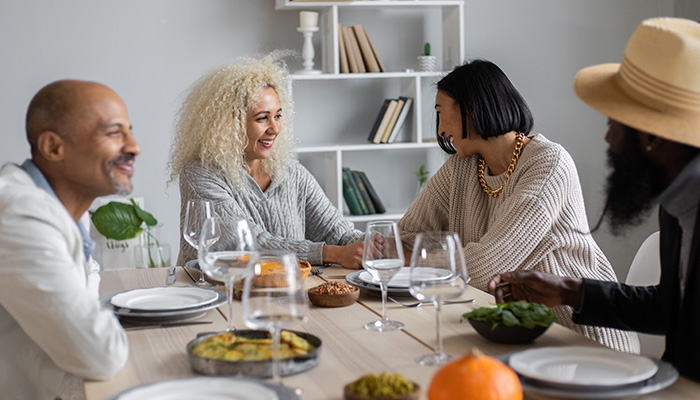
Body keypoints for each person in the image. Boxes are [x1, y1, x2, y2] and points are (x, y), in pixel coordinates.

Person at [488, 17, 700, 381]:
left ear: (651, 137)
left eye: (612, 126)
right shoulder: (675, 204)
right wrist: (568, 290)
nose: (608, 141)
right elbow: (671, 309)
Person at [398, 59, 639, 352]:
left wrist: (412, 260)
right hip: (517, 335)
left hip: (582, 338)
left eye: (440, 112)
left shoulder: (548, 164)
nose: (439, 129)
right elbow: (403, 238)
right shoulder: (461, 168)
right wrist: (409, 255)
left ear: (471, 108)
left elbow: (488, 265)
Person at [0, 80, 137, 398]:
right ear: (53, 148)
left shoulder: (66, 208)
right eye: (115, 133)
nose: (134, 146)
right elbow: (100, 354)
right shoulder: (19, 215)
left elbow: (88, 296)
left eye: (130, 131)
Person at [169, 53, 364, 269]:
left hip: (280, 293)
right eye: (263, 118)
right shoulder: (199, 174)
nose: (275, 128)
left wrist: (377, 245)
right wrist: (331, 253)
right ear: (229, 124)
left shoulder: (291, 173)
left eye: (278, 116)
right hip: (214, 295)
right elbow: (248, 245)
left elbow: (337, 232)